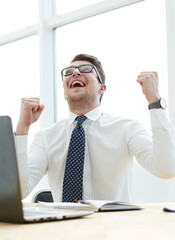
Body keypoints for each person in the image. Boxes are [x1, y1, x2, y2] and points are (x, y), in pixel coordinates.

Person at [15, 53, 175, 202]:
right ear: (64, 92)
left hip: (113, 228)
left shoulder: (127, 128)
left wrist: (155, 101)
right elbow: (20, 191)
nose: (75, 73)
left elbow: (166, 169)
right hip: (63, 229)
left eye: (86, 69)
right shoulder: (45, 137)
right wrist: (22, 129)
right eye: (69, 72)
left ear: (102, 88)